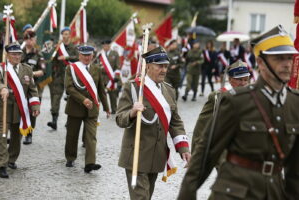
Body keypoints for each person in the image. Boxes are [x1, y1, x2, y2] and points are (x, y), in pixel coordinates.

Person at [178, 25, 299, 200]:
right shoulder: (235, 101)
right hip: (234, 192)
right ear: (261, 63)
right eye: (279, 58)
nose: (287, 64)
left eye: (290, 58)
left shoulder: (295, 103)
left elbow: (295, 170)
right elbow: (204, 158)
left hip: (274, 193)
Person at [116, 46, 191, 200]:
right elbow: (120, 119)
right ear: (148, 66)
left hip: (157, 156)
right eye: (159, 66)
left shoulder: (169, 90)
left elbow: (175, 122)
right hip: (136, 154)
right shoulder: (134, 87)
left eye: (166, 66)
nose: (164, 70)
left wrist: (183, 147)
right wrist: (131, 112)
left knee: (146, 197)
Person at [64, 45, 110, 173]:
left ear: (92, 56)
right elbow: (69, 88)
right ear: (79, 55)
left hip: (92, 109)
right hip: (75, 107)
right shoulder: (71, 68)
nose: (87, 57)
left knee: (91, 137)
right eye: (84, 55)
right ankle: (70, 157)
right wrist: (83, 99)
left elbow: (101, 89)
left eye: (89, 55)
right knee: (72, 135)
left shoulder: (96, 69)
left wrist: (107, 107)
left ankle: (90, 163)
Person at [191, 60, 250, 153]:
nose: (243, 83)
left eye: (245, 79)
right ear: (230, 79)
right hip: (224, 150)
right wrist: (195, 154)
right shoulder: (218, 97)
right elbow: (201, 127)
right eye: (239, 79)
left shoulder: (252, 95)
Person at [0, 43, 40, 172]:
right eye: (14, 54)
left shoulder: (27, 69)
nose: (17, 57)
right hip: (3, 107)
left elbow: (32, 89)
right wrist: (2, 88)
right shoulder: (1, 69)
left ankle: (11, 159)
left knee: (17, 136)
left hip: (20, 109)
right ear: (7, 55)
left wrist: (35, 106)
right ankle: (2, 164)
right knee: (2, 135)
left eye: (19, 54)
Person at [47, 27, 78, 130]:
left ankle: (70, 121)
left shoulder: (74, 48)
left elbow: (78, 58)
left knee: (71, 99)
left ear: (70, 35)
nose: (65, 36)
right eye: (63, 34)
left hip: (71, 77)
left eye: (67, 34)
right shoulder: (58, 47)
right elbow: (52, 60)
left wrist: (67, 58)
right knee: (56, 98)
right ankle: (54, 120)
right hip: (59, 76)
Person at [21, 30, 46, 145]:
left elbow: (42, 71)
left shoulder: (38, 54)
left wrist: (31, 74)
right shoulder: (19, 53)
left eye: (31, 39)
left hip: (33, 88)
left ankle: (29, 134)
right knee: (20, 109)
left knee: (32, 110)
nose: (29, 41)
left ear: (35, 40)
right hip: (20, 87)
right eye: (27, 39)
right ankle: (19, 132)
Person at [100, 39, 121, 114]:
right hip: (102, 77)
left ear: (109, 45)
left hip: (111, 78)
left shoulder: (114, 54)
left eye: (106, 45)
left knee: (113, 96)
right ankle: (98, 109)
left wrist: (116, 76)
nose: (105, 47)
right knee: (100, 95)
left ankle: (114, 110)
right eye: (104, 45)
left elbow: (118, 66)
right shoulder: (100, 54)